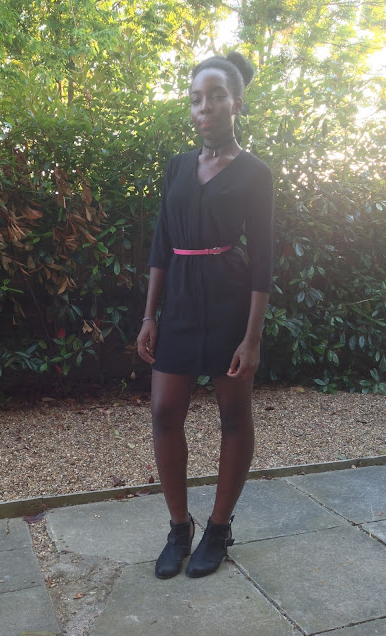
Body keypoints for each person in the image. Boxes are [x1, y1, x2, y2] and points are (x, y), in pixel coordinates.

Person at [136, 52, 275, 580]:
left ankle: (218, 528)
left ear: (236, 103)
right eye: (196, 99)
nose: (205, 107)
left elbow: (263, 260)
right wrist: (149, 316)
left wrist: (252, 338)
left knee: (234, 416)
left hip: (229, 301)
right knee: (164, 412)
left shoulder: (256, 173)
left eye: (216, 97)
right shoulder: (176, 166)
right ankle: (180, 527)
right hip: (179, 304)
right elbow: (161, 244)